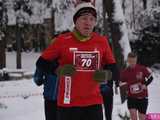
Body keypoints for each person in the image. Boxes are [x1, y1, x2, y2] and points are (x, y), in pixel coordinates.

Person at [36, 1, 117, 120]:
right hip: (68, 104)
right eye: (84, 18)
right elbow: (41, 63)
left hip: (93, 103)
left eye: (91, 19)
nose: (88, 23)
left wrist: (107, 74)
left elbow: (114, 69)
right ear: (76, 21)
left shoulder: (102, 41)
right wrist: (57, 70)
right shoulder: (62, 40)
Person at [120, 52, 153, 120]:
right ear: (128, 61)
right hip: (131, 98)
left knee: (142, 118)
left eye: (134, 61)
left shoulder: (142, 68)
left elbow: (151, 78)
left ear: (136, 60)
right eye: (130, 61)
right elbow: (121, 83)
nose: (132, 63)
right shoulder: (125, 72)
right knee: (133, 116)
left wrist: (145, 85)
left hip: (142, 97)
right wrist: (123, 86)